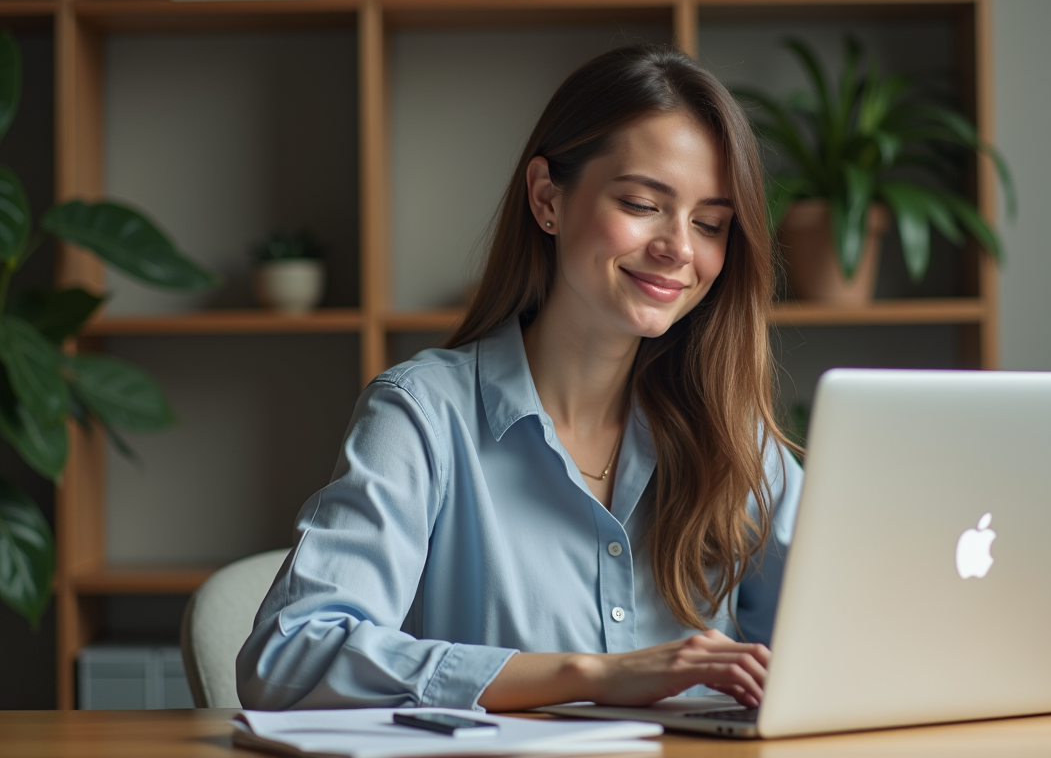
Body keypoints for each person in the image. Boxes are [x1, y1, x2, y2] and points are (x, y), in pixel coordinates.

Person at [236, 43, 803, 713]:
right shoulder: (422, 416)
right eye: (643, 204)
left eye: (710, 224)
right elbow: (287, 656)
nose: (680, 248)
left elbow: (830, 651)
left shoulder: (736, 438)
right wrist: (592, 675)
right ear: (547, 199)